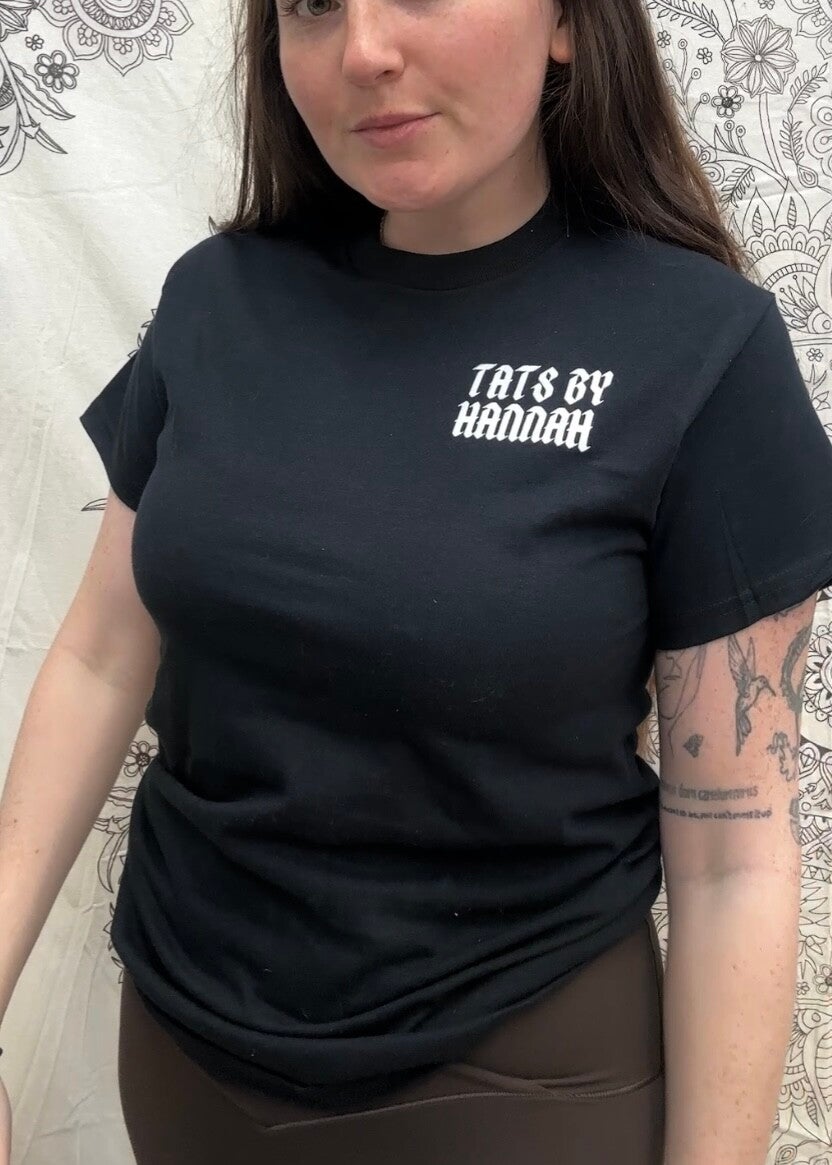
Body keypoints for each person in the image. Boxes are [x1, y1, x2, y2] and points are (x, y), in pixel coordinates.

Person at [2, 0, 832, 1160]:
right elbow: (99, 655)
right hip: (183, 1053)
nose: (363, 51)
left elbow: (732, 857)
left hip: (513, 1080)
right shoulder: (217, 297)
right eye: (311, 4)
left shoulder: (701, 347)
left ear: (565, 23)